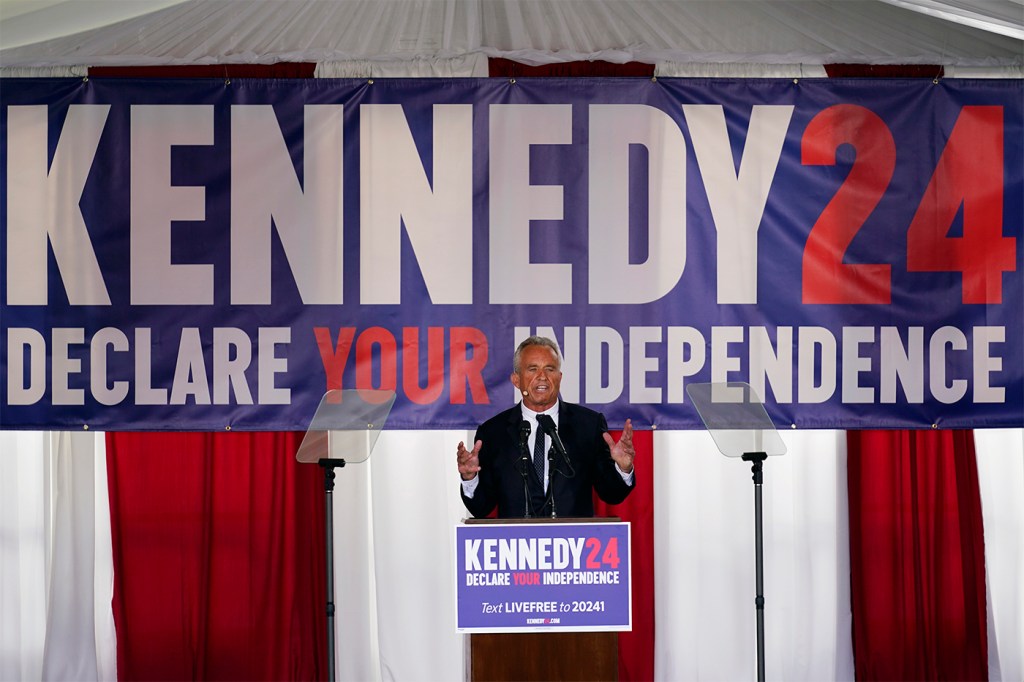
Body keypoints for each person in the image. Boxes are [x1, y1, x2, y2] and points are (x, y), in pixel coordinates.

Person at [457, 336, 635, 518]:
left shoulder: (588, 425)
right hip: (515, 543)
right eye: (532, 369)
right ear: (516, 380)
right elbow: (481, 508)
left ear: (559, 377)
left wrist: (623, 468)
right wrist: (470, 478)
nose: (542, 377)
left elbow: (612, 494)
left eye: (549, 369)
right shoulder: (493, 432)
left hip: (574, 543)